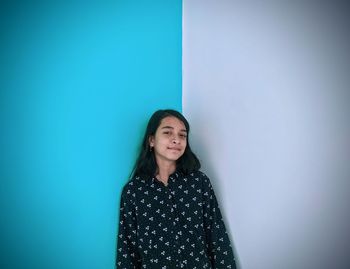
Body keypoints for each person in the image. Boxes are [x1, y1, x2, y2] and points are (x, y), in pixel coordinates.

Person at [116, 109, 236, 269]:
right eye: (167, 133)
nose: (176, 140)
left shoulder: (199, 183)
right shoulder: (134, 191)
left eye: (182, 135)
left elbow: (218, 238)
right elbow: (127, 250)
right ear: (151, 140)